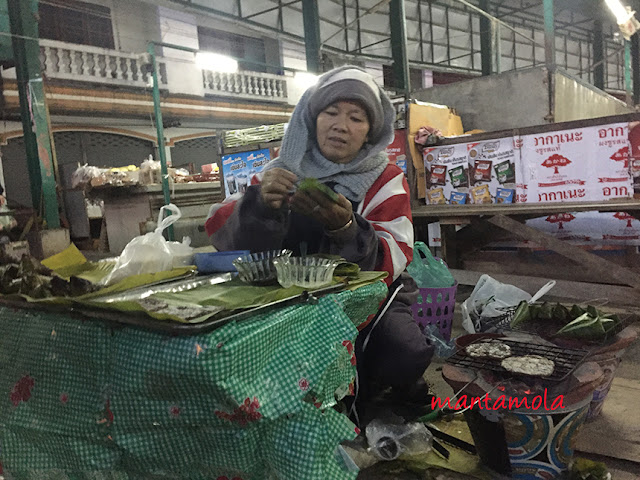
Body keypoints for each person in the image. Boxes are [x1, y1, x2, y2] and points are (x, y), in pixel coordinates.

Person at [205, 66, 433, 425]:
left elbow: (394, 257)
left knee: (402, 350)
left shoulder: (386, 179)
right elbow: (222, 233)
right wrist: (261, 205)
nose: (341, 125)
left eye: (356, 118)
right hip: (291, 297)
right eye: (331, 112)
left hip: (369, 298)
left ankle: (392, 388)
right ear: (311, 120)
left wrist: (347, 229)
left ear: (371, 133)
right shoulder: (280, 172)